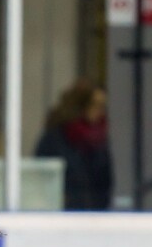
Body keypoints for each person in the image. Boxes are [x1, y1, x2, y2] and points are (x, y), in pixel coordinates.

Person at [35, 78, 112, 209]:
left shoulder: (99, 140)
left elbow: (106, 182)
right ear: (80, 106)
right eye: (95, 105)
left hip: (95, 216)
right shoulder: (55, 139)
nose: (100, 111)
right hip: (62, 214)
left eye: (103, 106)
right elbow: (41, 179)